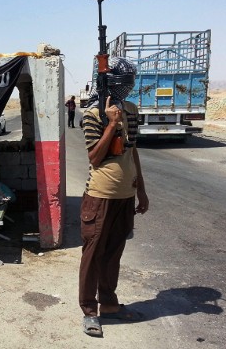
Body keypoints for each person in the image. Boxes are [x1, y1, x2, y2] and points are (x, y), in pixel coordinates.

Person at [78, 57, 149, 338]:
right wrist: (111, 125)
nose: (128, 89)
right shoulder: (92, 113)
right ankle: (89, 311)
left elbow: (132, 151)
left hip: (125, 197)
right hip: (100, 196)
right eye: (123, 84)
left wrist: (141, 190)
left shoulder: (131, 109)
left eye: (130, 83)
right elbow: (95, 157)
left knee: (113, 254)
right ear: (109, 84)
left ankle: (108, 304)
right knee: (93, 255)